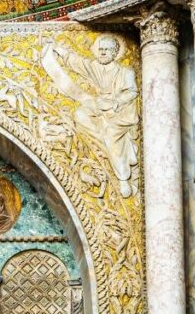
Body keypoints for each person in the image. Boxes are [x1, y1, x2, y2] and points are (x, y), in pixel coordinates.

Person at [41, 36, 140, 197]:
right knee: (80, 114)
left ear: (115, 52)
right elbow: (77, 62)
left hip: (120, 112)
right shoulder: (95, 66)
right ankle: (105, 145)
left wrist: (115, 102)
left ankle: (122, 177)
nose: (102, 52)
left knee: (111, 134)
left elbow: (132, 92)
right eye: (100, 49)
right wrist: (57, 48)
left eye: (106, 50)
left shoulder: (125, 72)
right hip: (101, 106)